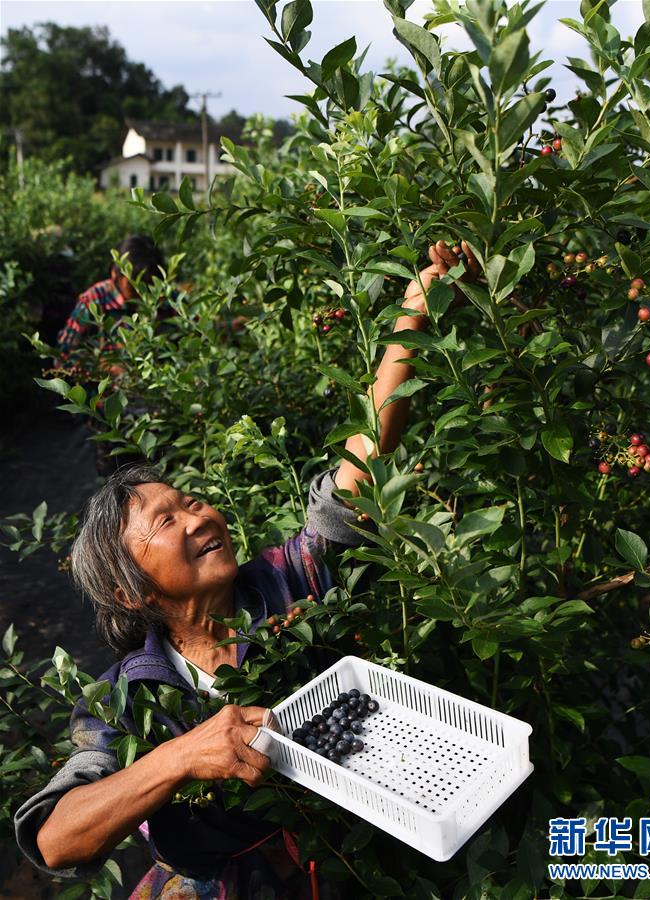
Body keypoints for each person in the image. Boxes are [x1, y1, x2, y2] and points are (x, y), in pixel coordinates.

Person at [15, 240, 475, 898]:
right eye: (166, 522)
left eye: (193, 502)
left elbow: (366, 454)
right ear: (129, 587)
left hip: (352, 865)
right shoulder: (126, 700)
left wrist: (416, 313)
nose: (199, 518)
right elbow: (56, 840)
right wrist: (177, 757)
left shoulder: (293, 581)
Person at [55, 234, 165, 363]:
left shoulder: (166, 299)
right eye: (133, 282)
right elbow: (63, 356)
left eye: (148, 283)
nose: (140, 290)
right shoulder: (94, 299)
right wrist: (105, 369)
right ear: (115, 272)